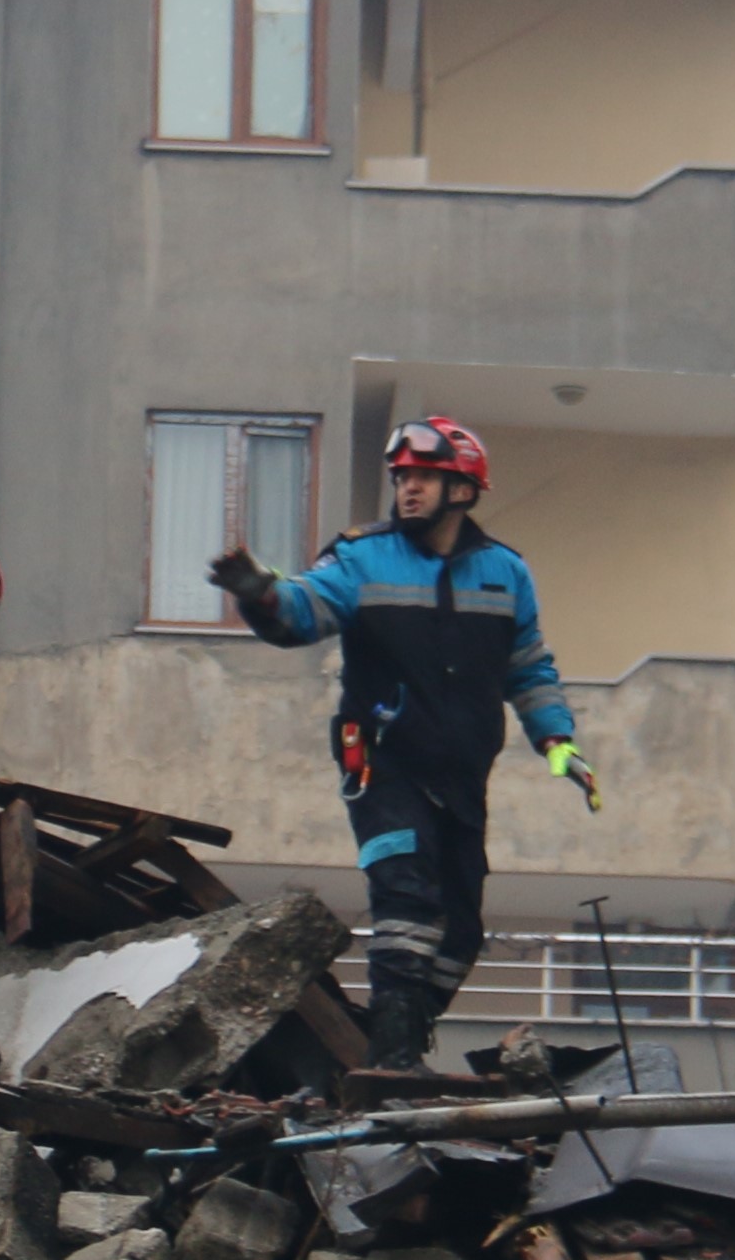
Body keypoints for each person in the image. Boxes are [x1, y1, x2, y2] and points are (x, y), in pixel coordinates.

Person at [210, 415, 595, 1070]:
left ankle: (395, 1039)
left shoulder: (506, 574)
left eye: (423, 477)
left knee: (462, 931)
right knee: (406, 898)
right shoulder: (362, 557)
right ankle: (391, 1061)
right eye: (403, 478)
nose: (408, 489)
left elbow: (529, 670)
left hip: (463, 775)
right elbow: (301, 610)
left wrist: (559, 742)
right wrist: (258, 593)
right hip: (381, 762)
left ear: (464, 491)